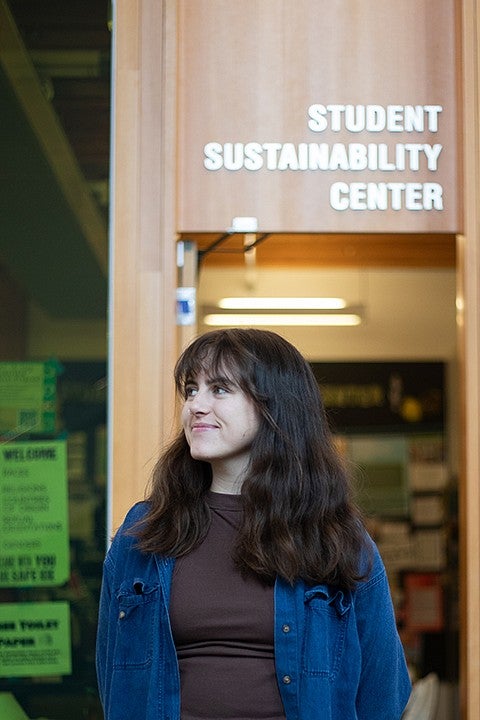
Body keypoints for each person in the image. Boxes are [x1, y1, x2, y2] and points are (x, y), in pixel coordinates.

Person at [96, 328, 412, 720]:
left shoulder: (335, 537)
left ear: (274, 406)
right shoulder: (145, 532)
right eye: (192, 389)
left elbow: (384, 692)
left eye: (220, 389)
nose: (196, 405)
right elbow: (114, 679)